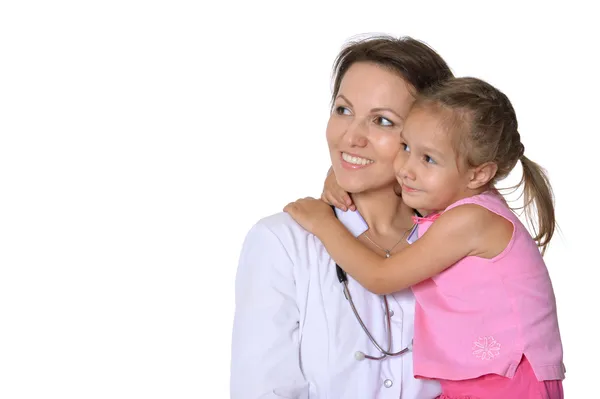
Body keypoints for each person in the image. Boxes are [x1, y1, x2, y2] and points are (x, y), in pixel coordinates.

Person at [284, 77, 565, 398]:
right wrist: (341, 176)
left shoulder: (469, 220)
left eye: (428, 158)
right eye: (405, 147)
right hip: (476, 380)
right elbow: (390, 233)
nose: (406, 169)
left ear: (479, 174)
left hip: (508, 381)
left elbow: (381, 275)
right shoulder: (454, 210)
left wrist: (324, 223)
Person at [230, 36, 453, 399]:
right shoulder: (284, 243)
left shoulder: (458, 239)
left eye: (382, 121)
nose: (351, 137)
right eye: (343, 110)